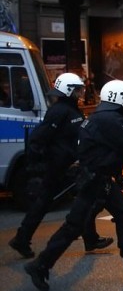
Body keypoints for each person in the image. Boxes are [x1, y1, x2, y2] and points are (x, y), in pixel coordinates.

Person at [24, 80, 123, 291]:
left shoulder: (105, 117)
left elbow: (108, 150)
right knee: (75, 225)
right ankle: (40, 264)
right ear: (117, 98)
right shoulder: (111, 119)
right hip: (96, 180)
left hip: (99, 177)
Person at [9, 73, 112, 259]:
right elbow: (38, 138)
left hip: (68, 166)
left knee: (84, 199)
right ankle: (22, 239)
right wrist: (37, 166)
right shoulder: (59, 111)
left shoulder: (71, 109)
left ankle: (90, 238)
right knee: (46, 203)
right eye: (78, 89)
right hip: (58, 167)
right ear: (68, 90)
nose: (82, 92)